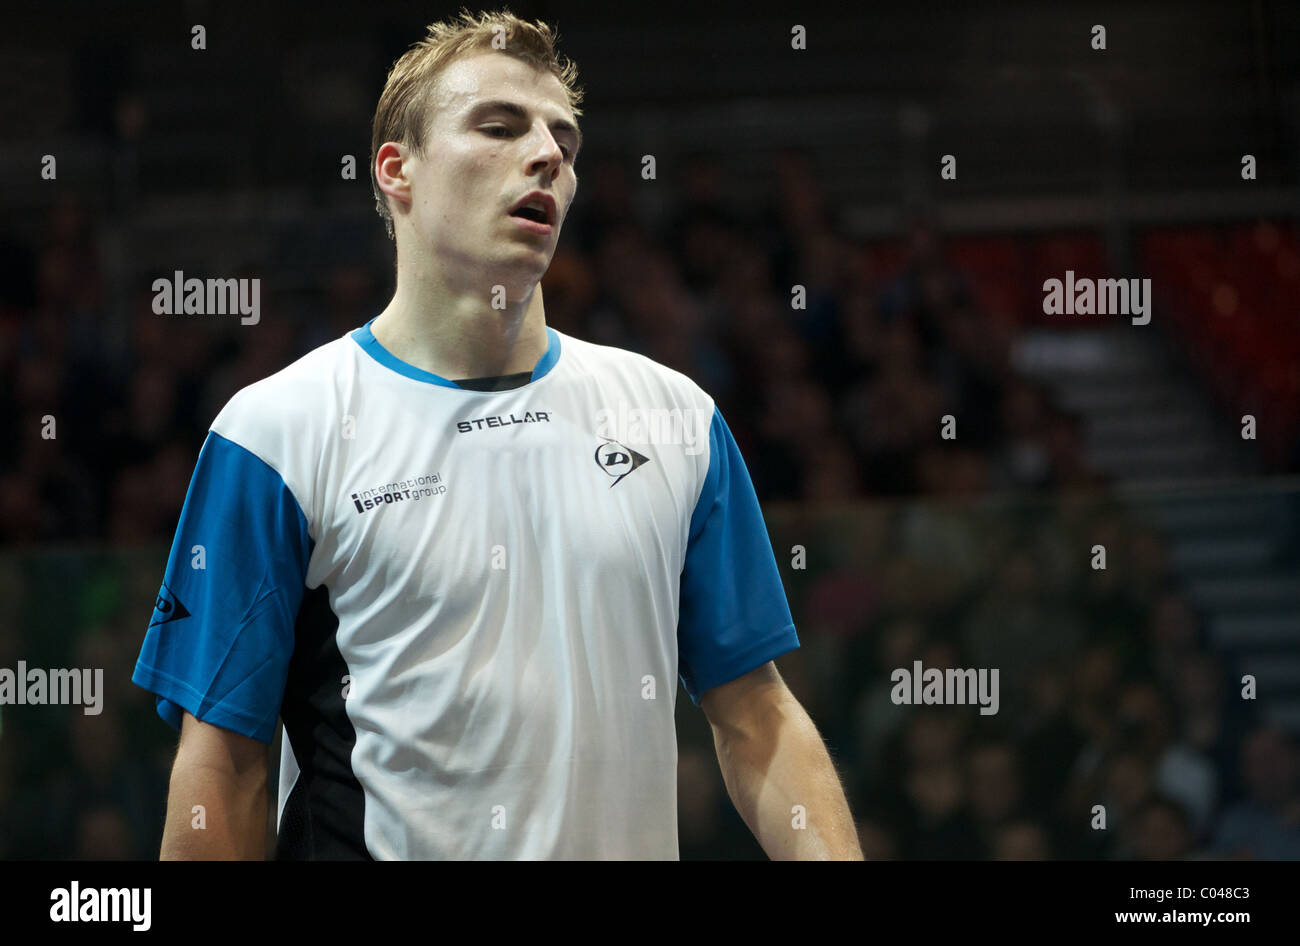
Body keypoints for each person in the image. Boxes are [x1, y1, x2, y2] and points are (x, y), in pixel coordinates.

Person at [131, 9, 861, 860]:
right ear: (397, 172)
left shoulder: (675, 418)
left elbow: (759, 719)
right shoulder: (274, 434)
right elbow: (223, 770)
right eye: (501, 126)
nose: (548, 153)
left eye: (564, 138)